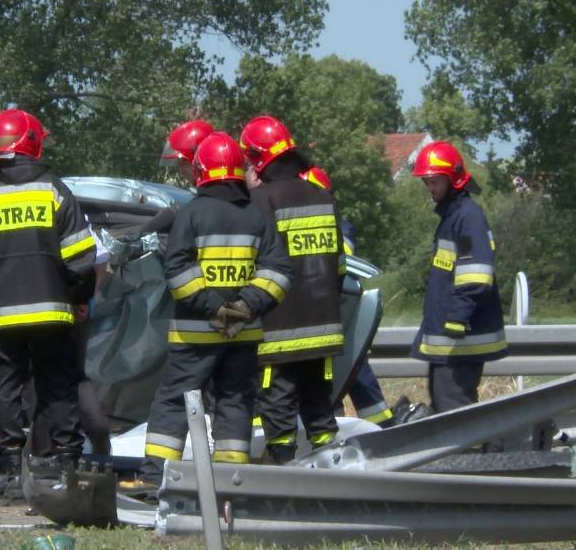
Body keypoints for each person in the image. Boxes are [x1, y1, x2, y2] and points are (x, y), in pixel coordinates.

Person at [0, 108, 96, 498]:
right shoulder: (54, 190)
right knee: (58, 386)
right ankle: (65, 463)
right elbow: (80, 254)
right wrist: (80, 297)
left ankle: (14, 467)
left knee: (6, 388)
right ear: (32, 142)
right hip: (52, 311)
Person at [129, 132, 291, 493]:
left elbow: (177, 271)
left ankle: (157, 478)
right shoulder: (257, 217)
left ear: (200, 170)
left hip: (194, 336)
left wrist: (213, 308)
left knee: (174, 402)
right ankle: (230, 483)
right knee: (235, 403)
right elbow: (278, 271)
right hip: (243, 334)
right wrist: (244, 307)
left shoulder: (190, 214)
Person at [241, 115, 346, 464]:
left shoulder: (258, 203)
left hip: (278, 332)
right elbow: (340, 268)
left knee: (279, 410)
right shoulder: (324, 199)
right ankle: (337, 477)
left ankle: (285, 476)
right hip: (324, 329)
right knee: (320, 409)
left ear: (258, 160)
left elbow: (250, 268)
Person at [410, 141, 506, 412]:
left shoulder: (467, 217)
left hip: (461, 340)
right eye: (426, 182)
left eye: (435, 181)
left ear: (453, 178)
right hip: (451, 341)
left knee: (455, 414)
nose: (430, 188)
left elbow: (476, 272)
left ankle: (473, 455)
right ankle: (474, 453)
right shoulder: (453, 217)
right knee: (446, 409)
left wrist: (457, 317)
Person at [300, 167, 394, 428]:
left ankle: (382, 428)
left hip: (336, 315)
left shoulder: (338, 228)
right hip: (329, 318)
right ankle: (376, 425)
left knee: (351, 373)